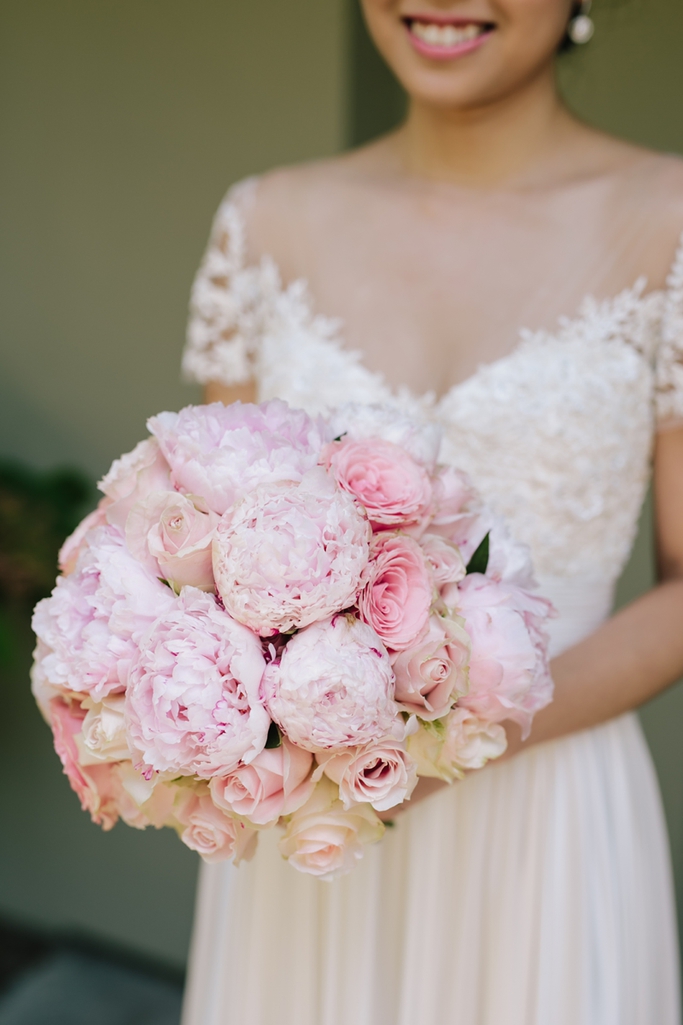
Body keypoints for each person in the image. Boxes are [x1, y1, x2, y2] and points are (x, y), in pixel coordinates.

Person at [180, 2, 683, 1022]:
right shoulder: (265, 221)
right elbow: (195, 548)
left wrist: (455, 738)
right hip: (312, 829)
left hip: (545, 819)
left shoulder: (667, 223)